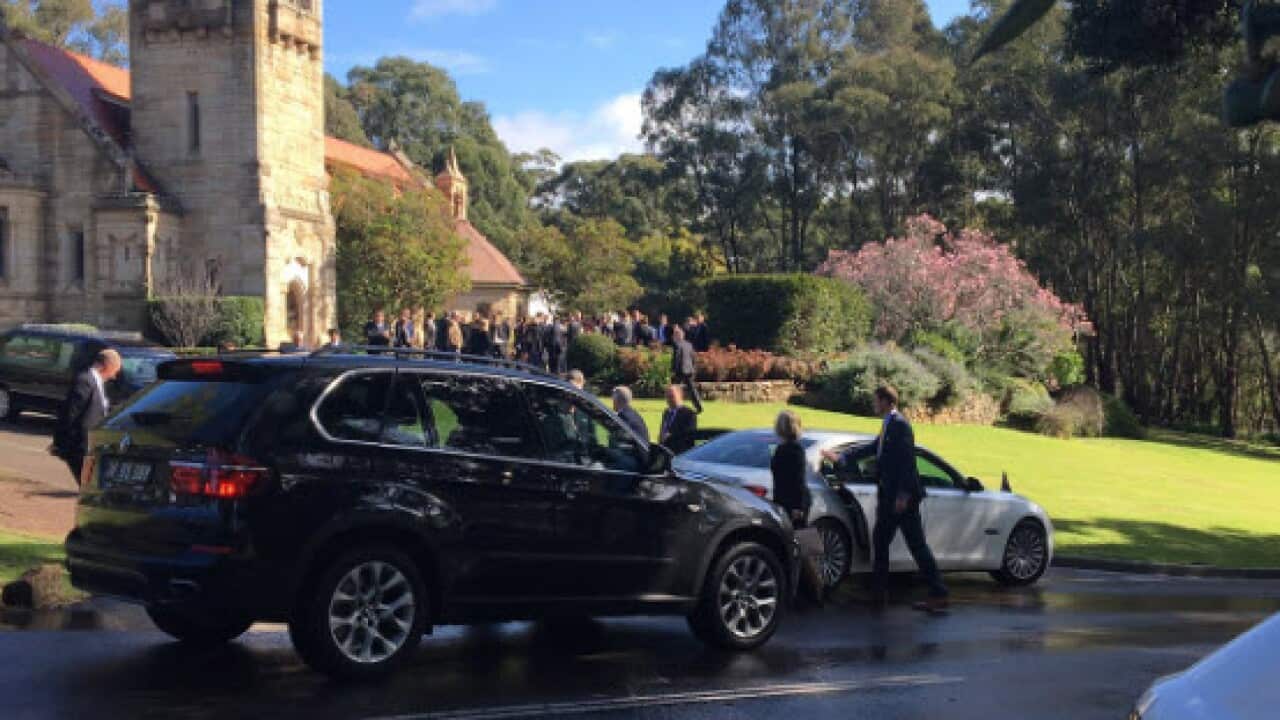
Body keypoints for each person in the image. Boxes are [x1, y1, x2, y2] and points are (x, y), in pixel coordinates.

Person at [825, 385, 948, 613]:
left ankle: (936, 593)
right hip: (889, 496)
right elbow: (874, 448)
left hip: (901, 499)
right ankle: (880, 593)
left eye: (876, 400)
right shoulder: (888, 423)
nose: (874, 404)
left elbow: (907, 463)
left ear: (886, 401)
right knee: (883, 541)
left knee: (914, 545)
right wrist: (842, 457)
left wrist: (903, 495)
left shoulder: (900, 425)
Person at [53, 349, 121, 484]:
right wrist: (61, 443)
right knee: (88, 484)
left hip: (92, 447)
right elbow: (70, 414)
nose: (114, 376)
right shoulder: (84, 381)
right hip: (80, 448)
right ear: (107, 366)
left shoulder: (97, 383)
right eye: (115, 371)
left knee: (89, 485)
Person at [670, 326, 704, 414]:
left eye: (674, 335)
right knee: (692, 389)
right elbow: (693, 357)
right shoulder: (689, 344)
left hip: (680, 370)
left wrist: (673, 370)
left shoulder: (677, 344)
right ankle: (699, 406)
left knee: (674, 389)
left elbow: (676, 358)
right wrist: (693, 368)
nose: (673, 337)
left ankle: (674, 405)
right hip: (689, 370)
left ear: (677, 336)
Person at [658, 384, 697, 454]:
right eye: (667, 397)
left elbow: (688, 436)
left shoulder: (689, 414)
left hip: (680, 453)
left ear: (680, 396)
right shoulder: (666, 412)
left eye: (672, 396)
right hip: (665, 451)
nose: (669, 399)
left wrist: (670, 437)